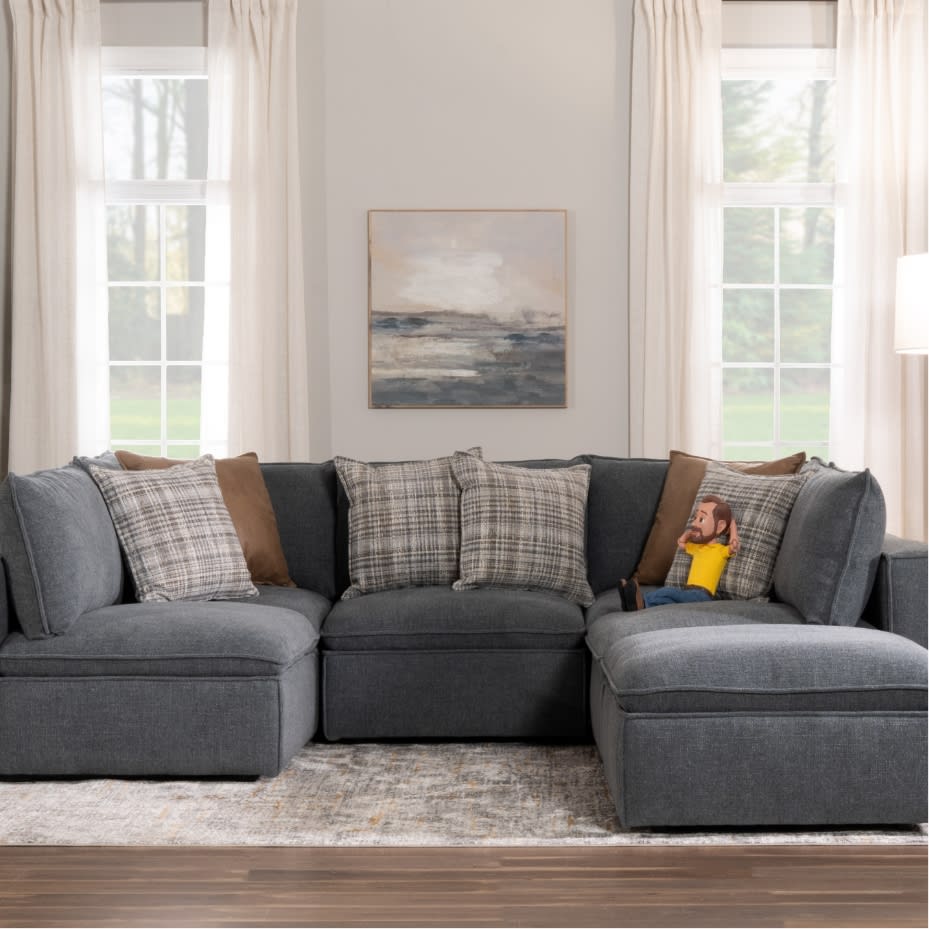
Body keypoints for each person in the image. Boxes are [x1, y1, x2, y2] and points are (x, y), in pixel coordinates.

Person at [619, 494, 739, 611]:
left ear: (720, 527)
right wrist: (688, 534)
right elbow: (681, 543)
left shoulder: (720, 551)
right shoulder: (697, 548)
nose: (694, 523)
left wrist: (732, 523)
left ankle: (641, 602)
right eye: (695, 518)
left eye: (701, 519)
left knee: (669, 592)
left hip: (703, 596)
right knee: (667, 598)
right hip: (689, 592)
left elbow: (734, 545)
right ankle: (632, 603)